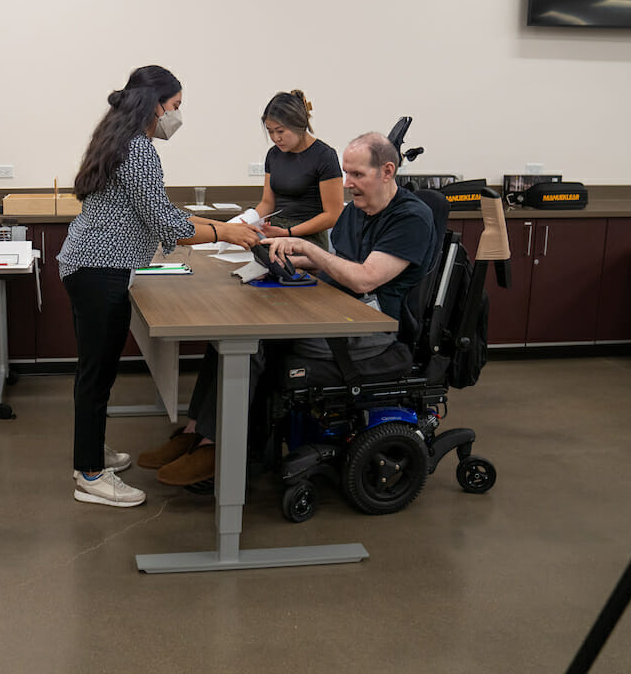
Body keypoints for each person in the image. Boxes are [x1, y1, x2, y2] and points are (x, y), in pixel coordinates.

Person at [138, 131, 436, 486]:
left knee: (252, 341)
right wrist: (286, 253)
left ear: (387, 171)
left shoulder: (410, 218)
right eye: (346, 174)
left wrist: (308, 248)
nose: (348, 184)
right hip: (339, 311)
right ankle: (196, 431)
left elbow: (364, 279)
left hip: (369, 330)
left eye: (357, 175)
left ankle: (217, 445)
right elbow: (338, 264)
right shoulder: (358, 210)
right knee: (227, 333)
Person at [58, 64, 259, 508]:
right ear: (154, 106)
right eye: (175, 107)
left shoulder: (117, 138)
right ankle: (90, 474)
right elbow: (167, 222)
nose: (177, 116)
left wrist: (217, 224)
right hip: (99, 270)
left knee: (95, 371)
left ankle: (89, 453)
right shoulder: (140, 151)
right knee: (97, 374)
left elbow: (159, 210)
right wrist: (226, 233)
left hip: (86, 264)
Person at [253, 90, 344, 250]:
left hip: (308, 240)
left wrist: (288, 233)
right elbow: (267, 203)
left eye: (280, 131)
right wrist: (246, 221)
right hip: (276, 234)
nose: (275, 138)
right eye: (270, 131)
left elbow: (333, 214)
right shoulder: (274, 154)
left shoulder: (324, 156)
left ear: (299, 125)